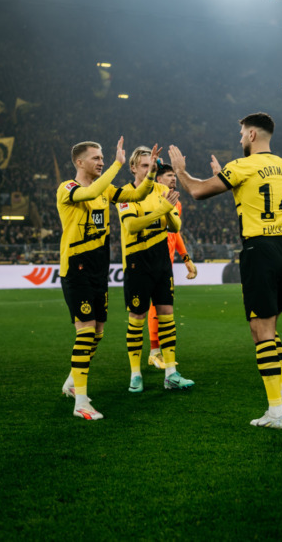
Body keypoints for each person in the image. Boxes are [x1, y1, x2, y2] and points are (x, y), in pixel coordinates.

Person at [168, 112, 282, 429]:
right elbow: (254, 194)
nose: (239, 139)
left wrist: (180, 171)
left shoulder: (242, 165)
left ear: (252, 134)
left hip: (260, 250)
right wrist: (226, 177)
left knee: (261, 332)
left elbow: (197, 191)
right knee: (269, 328)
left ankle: (275, 412)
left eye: (241, 134)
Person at [57, 137, 159, 421]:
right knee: (86, 331)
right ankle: (80, 402)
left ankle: (72, 381)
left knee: (98, 331)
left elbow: (136, 195)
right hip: (76, 268)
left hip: (99, 270)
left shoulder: (106, 190)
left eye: (103, 158)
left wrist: (151, 174)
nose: (101, 162)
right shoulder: (68, 188)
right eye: (96, 158)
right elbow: (91, 192)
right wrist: (117, 164)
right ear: (79, 162)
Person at [116, 147, 195, 394]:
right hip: (137, 262)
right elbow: (132, 226)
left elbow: (175, 226)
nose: (149, 169)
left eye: (152, 166)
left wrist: (169, 210)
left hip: (161, 261)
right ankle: (135, 374)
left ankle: (171, 373)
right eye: (144, 165)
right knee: (137, 318)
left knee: (167, 315)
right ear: (132, 168)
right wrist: (162, 209)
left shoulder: (162, 190)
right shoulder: (126, 194)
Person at [146, 162, 198, 370]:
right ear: (158, 179)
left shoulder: (177, 203)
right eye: (169, 175)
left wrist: (186, 259)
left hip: (166, 263)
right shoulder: (149, 198)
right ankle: (153, 352)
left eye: (174, 175)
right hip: (149, 260)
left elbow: (174, 233)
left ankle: (156, 352)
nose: (174, 178)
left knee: (163, 308)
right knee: (150, 308)